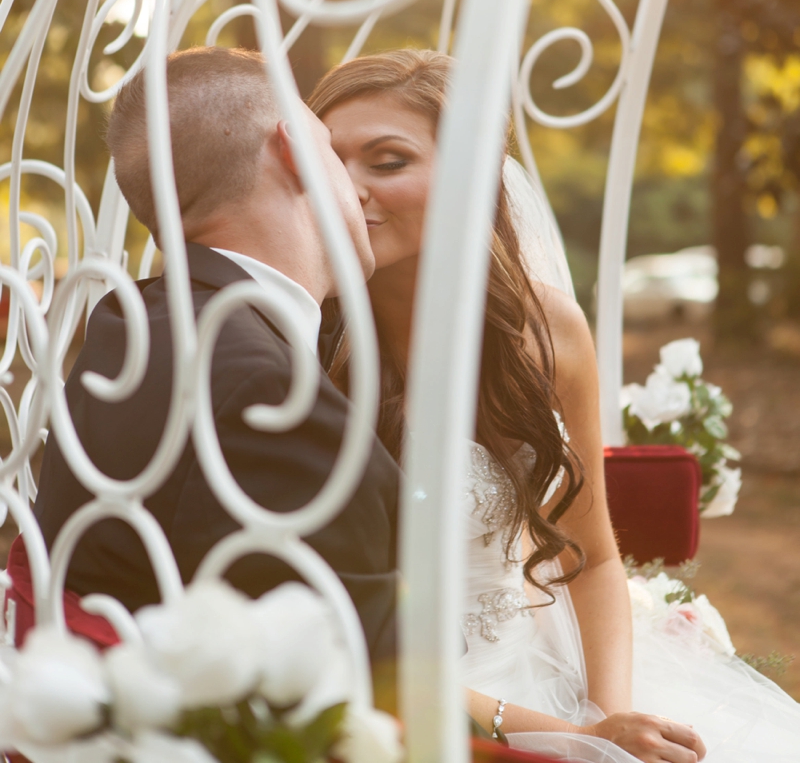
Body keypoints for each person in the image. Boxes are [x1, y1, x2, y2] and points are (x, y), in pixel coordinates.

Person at [309, 48, 800, 763]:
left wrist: (611, 721)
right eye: (329, 161)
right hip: (385, 700)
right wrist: (561, 739)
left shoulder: (549, 332)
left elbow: (595, 557)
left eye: (386, 162)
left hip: (551, 669)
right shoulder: (295, 343)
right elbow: (334, 625)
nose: (347, 189)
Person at [32, 47, 401, 675]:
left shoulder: (130, 326)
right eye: (332, 151)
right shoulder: (271, 393)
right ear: (299, 153)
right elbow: (360, 689)